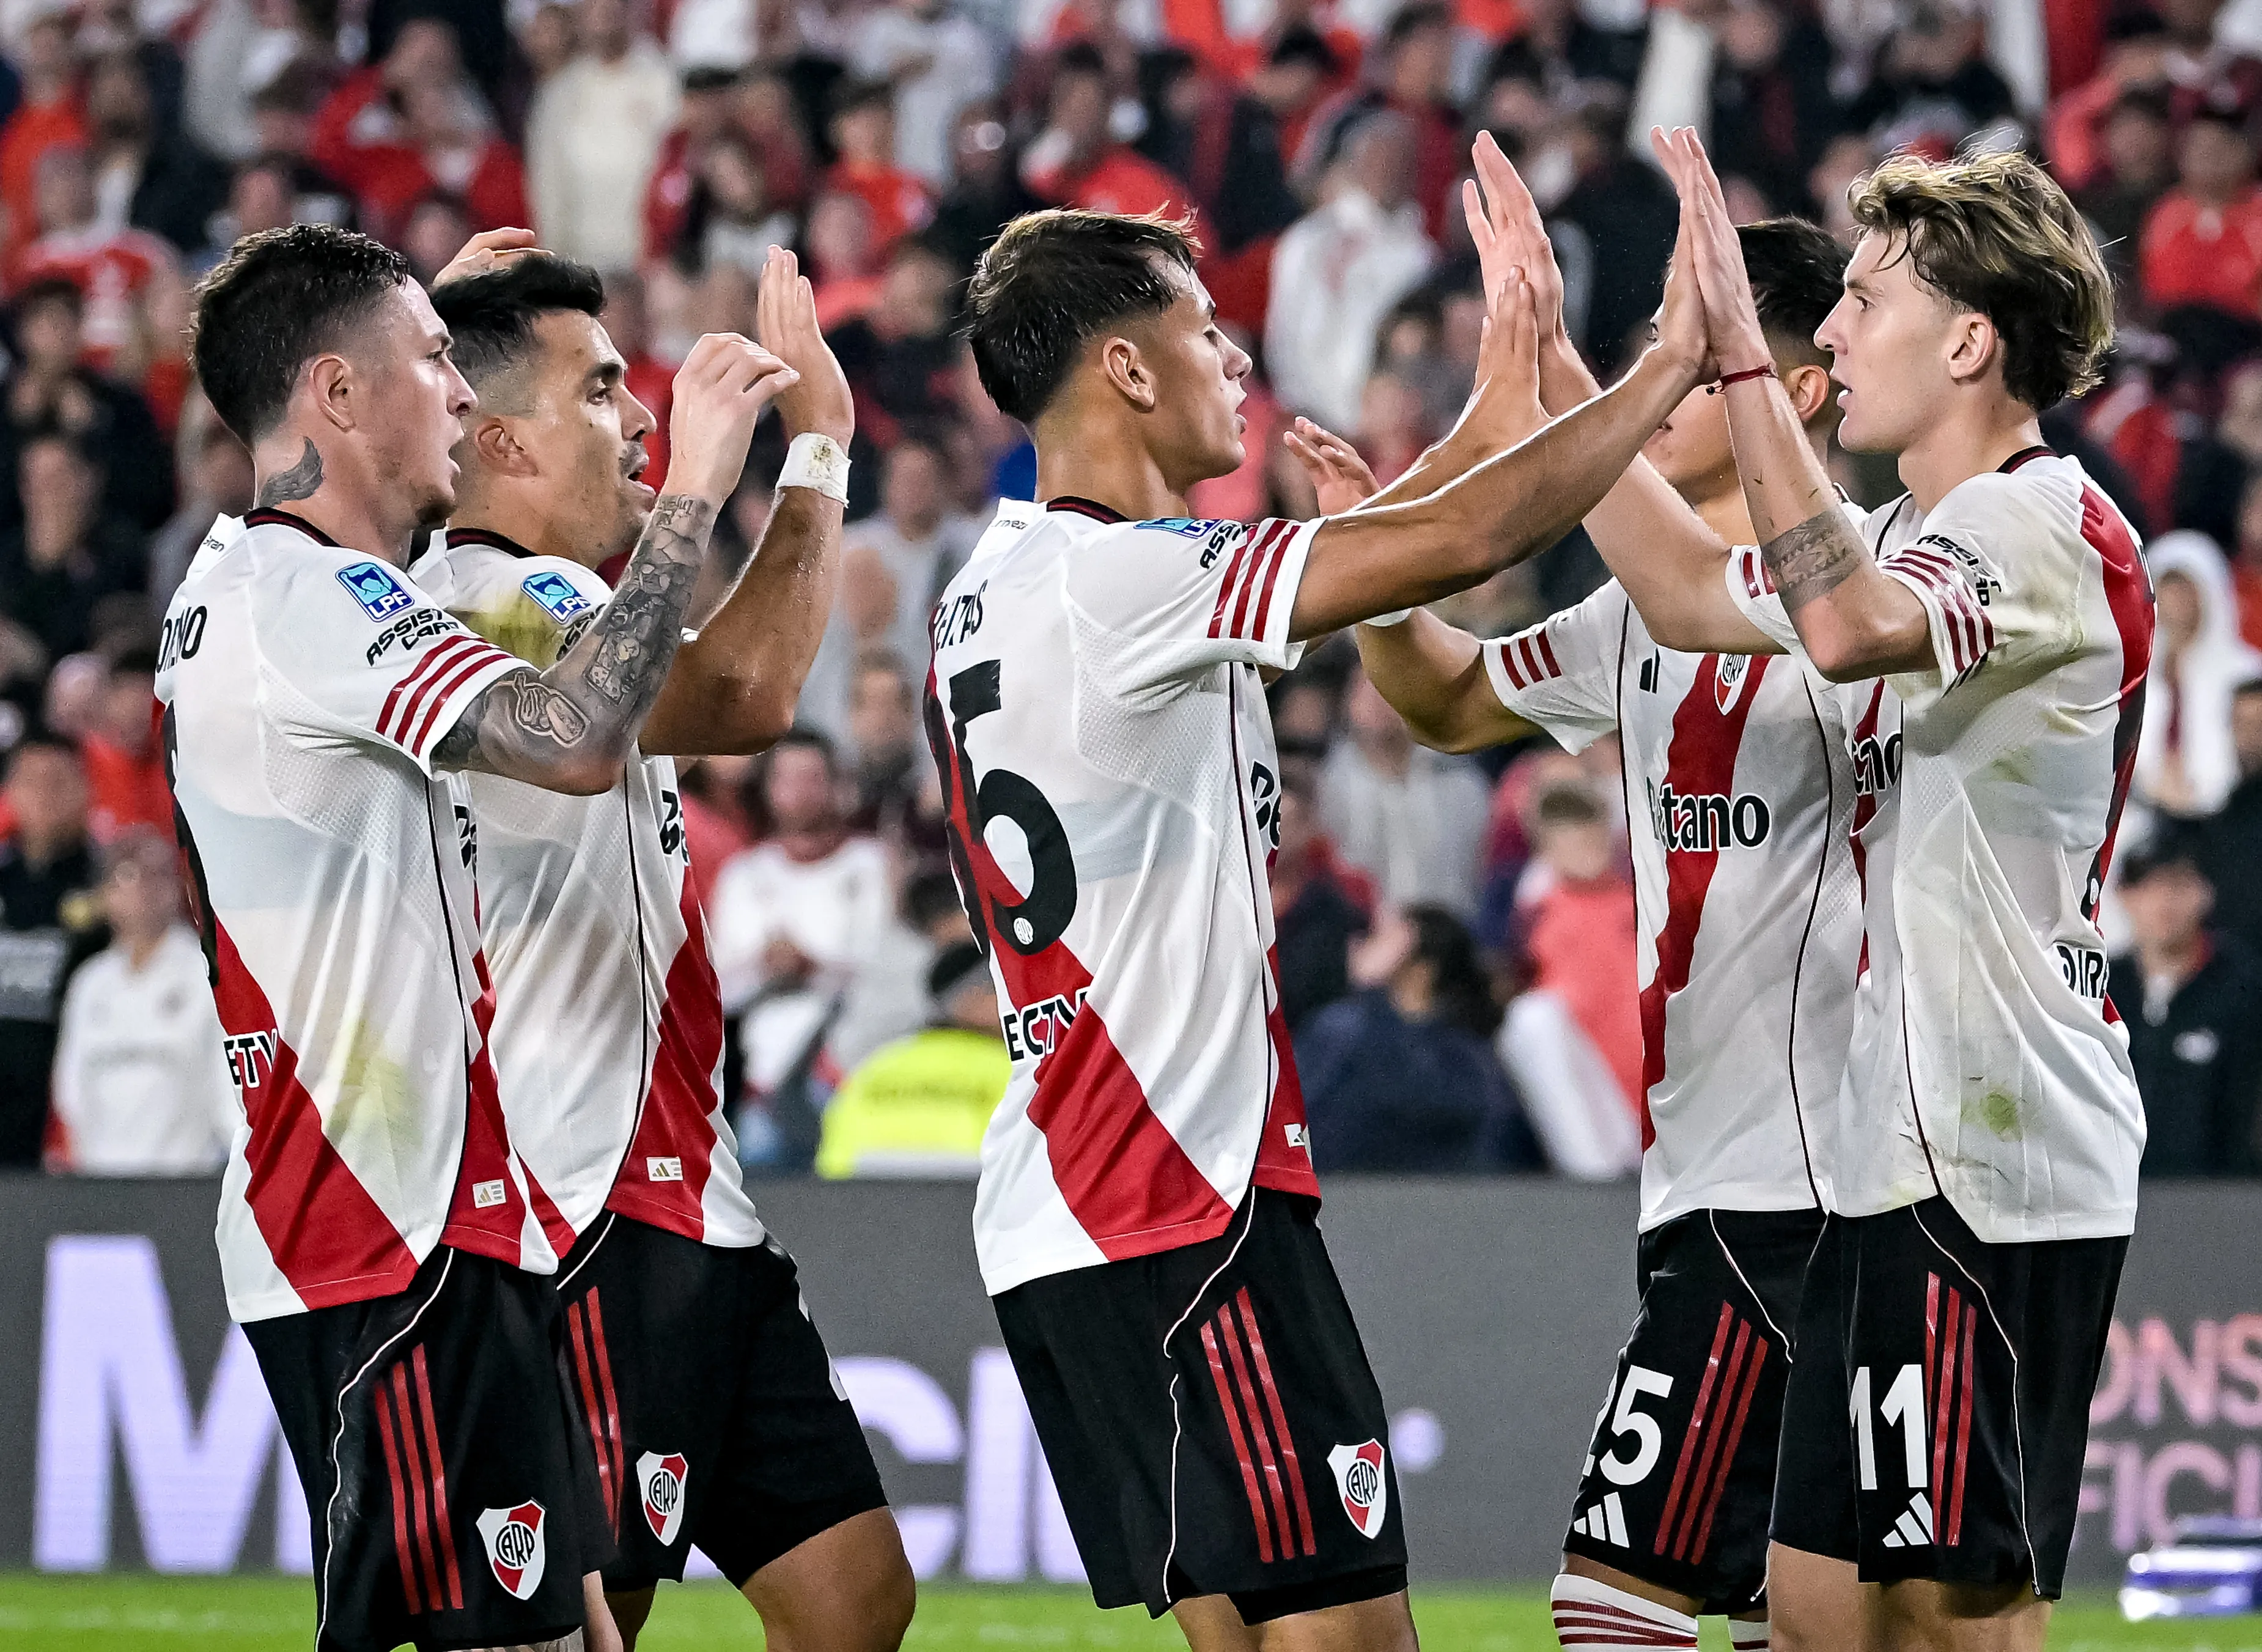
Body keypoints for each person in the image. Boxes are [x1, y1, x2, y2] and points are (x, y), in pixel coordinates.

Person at [933, 177, 1708, 1646]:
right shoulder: (1126, 585)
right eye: (1204, 329)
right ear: (1124, 368)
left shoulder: (1011, 577)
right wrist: (1664, 365)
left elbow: (1404, 528)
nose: (1235, 361)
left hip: (1074, 1202)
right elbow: (1461, 543)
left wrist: (1495, 396)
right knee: (1356, 1639)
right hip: (1177, 1197)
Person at [163, 221, 795, 1652]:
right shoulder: (305, 605)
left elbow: (412, 541)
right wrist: (695, 485)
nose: (463, 393)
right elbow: (573, 741)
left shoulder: (273, 586)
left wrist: (414, 313)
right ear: (333, 392)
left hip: (421, 1218)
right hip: (379, 1230)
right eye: (437, 364)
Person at [1341, 179, 1866, 1650]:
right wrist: (1375, 574)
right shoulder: (1636, 609)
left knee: (1607, 1600)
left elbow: (1709, 586)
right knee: (1777, 1612)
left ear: (1794, 384)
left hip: (1800, 1180)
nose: (1657, 375)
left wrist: (1551, 366)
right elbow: (1449, 697)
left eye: (1680, 348)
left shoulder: (1853, 585)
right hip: (1708, 1168)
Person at [1648, 128, 2144, 1652]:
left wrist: (1741, 368)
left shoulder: (2033, 524)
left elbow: (1850, 627)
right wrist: (1568, 396)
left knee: (1941, 1618)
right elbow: (1681, 589)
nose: (1836, 333)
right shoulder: (1917, 532)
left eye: (1863, 299)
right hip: (1896, 1147)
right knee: (1811, 1612)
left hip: (1991, 1150)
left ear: (1972, 339)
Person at [418, 245, 913, 1652]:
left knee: (854, 1597)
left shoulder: (561, 609)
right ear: (500, 438)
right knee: (592, 1613)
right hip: (573, 1204)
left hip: (687, 1200)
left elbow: (739, 689)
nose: (638, 418)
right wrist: (759, 460)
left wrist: (814, 459)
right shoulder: (476, 599)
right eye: (601, 390)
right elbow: (750, 689)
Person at [1292, 902, 1539, 1173]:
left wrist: (1368, 988)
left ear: (1423, 969)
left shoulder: (1459, 1055)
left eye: (1385, 938)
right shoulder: (1351, 1026)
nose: (1361, 944)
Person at [48, 827, 231, 1176]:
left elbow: (227, 1088)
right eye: (129, 874)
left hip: (187, 1182)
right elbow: (70, 1093)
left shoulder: (206, 973)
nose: (145, 887)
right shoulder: (90, 982)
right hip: (101, 1185)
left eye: (159, 874)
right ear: (106, 893)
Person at [2109, 834, 2262, 1176]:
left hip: (2223, 1203)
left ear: (2205, 892)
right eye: (2146, 885)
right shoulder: (2104, 988)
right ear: (2124, 895)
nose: (2163, 901)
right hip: (2123, 1199)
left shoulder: (2243, 989)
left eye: (2177, 885)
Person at [816, 938, 1011, 1178]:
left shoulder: (877, 1066)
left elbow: (832, 1164)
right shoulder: (1012, 1070)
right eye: (1004, 991)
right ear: (972, 998)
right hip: (967, 1204)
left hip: (864, 1205)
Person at [0, 731, 99, 1166]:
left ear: (85, 790)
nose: (44, 794)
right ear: (9, 791)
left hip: (71, 1094)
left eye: (59, 781)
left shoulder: (111, 883)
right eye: (31, 780)